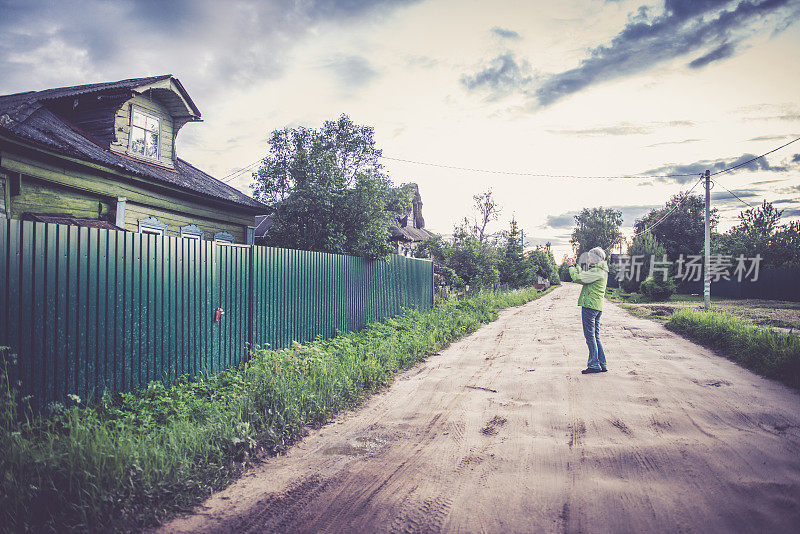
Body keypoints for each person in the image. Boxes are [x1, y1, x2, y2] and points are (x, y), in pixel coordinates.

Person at [567, 247, 609, 374]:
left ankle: (594, 365)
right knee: (595, 336)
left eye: (590, 257)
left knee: (590, 337)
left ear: (596, 258)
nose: (589, 259)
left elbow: (578, 278)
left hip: (590, 306)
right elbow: (584, 276)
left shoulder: (598, 270)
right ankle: (602, 364)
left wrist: (570, 267)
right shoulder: (599, 270)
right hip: (596, 306)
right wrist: (575, 265)